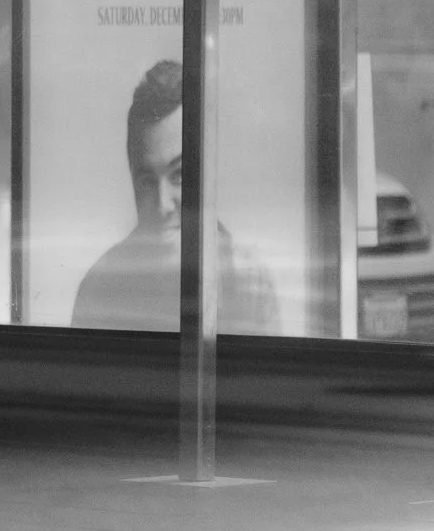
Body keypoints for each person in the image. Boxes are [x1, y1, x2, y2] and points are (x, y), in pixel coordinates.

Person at [70, 54, 282, 335]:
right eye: (146, 180)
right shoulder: (99, 286)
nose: (162, 204)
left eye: (179, 175)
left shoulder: (250, 283)